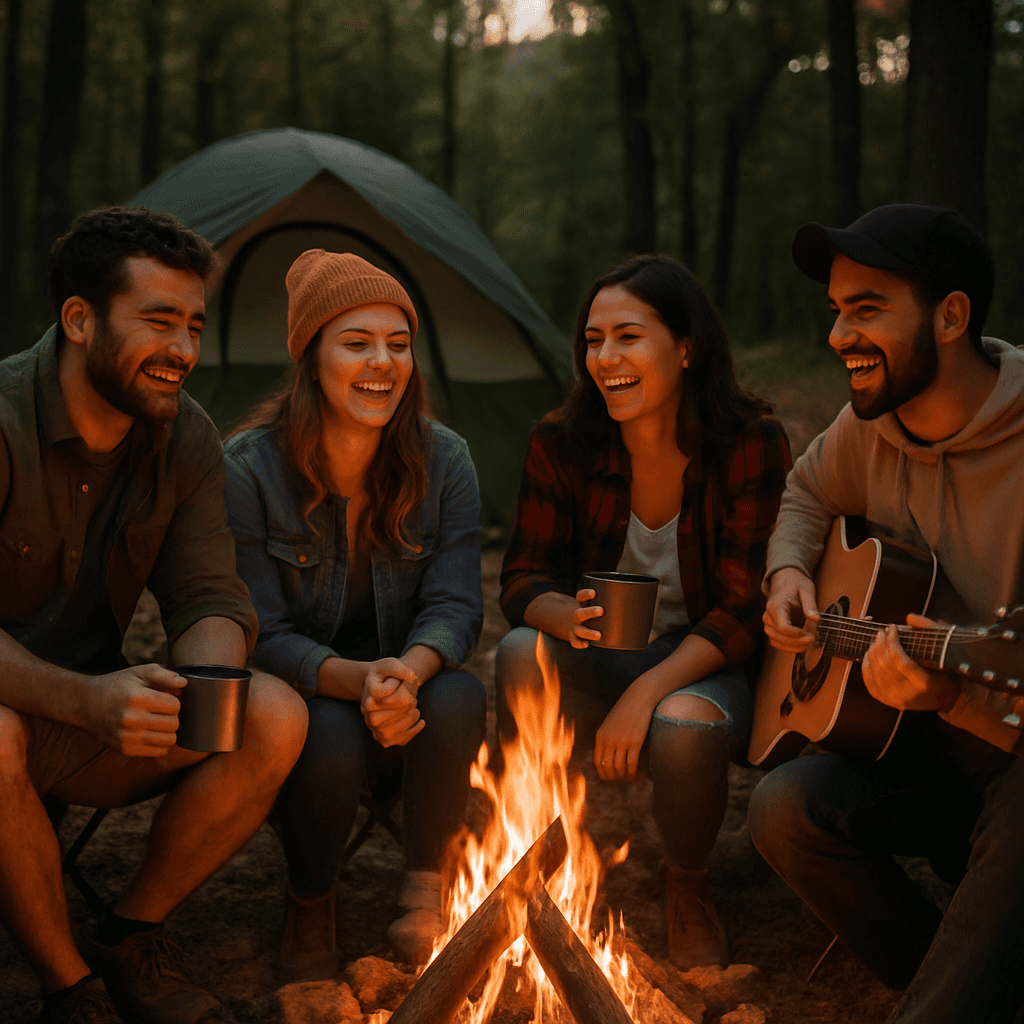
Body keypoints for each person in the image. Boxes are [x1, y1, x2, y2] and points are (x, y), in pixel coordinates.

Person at [0, 206, 309, 1024]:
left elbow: (209, 593)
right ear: (79, 319)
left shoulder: (187, 438)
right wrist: (85, 700)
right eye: (159, 322)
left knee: (269, 712)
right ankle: (71, 989)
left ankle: (127, 931)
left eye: (195, 326)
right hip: (24, 719)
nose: (183, 350)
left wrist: (210, 680)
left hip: (81, 727)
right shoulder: (0, 423)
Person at [747, 204, 1024, 1024]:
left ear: (951, 317)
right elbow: (804, 492)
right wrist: (789, 573)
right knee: (783, 811)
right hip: (923, 743)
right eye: (836, 311)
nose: (838, 337)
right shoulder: (871, 426)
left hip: (1014, 742)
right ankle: (954, 974)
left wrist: (951, 694)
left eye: (866, 310)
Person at [495, 254, 791, 971]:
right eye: (593, 341)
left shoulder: (749, 442)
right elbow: (521, 577)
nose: (605, 358)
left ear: (685, 347)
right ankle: (535, 854)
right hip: (608, 649)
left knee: (683, 727)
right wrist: (561, 613)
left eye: (628, 336)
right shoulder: (562, 440)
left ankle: (687, 884)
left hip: (713, 662)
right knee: (516, 655)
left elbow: (743, 611)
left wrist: (646, 692)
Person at [223, 250, 486, 978]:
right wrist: (352, 679)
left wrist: (405, 670)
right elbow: (259, 633)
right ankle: (311, 899)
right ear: (311, 359)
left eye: (398, 345)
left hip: (408, 694)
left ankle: (426, 889)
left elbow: (458, 605)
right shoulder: (248, 471)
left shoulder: (446, 460)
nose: (383, 363)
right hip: (308, 699)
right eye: (357, 342)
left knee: (460, 692)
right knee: (330, 727)